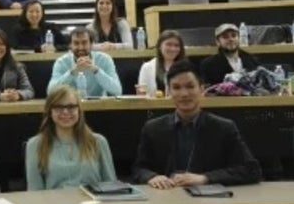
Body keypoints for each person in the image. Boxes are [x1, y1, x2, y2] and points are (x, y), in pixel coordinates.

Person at [132, 60, 261, 188]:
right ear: (169, 92)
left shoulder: (224, 127)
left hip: (210, 202)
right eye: (176, 88)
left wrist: (205, 178)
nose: (184, 94)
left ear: (201, 89)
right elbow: (139, 169)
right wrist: (151, 177)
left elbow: (251, 170)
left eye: (190, 86)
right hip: (166, 198)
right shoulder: (153, 128)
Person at [25, 85, 117, 190]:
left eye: (71, 107)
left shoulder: (98, 141)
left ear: (79, 110)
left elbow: (111, 187)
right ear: (50, 112)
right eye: (58, 107)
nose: (65, 112)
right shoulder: (35, 145)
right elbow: (35, 192)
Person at [47, 27, 122, 97]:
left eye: (84, 43)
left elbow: (117, 91)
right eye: (76, 43)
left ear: (91, 44)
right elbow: (50, 92)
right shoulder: (61, 62)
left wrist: (96, 70)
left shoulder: (105, 59)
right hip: (70, 107)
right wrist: (72, 72)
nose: (80, 47)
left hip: (98, 106)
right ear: (70, 45)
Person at [137, 29, 186, 97]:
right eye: (169, 44)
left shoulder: (186, 68)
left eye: (176, 45)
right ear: (160, 46)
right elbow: (141, 95)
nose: (173, 49)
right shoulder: (147, 67)